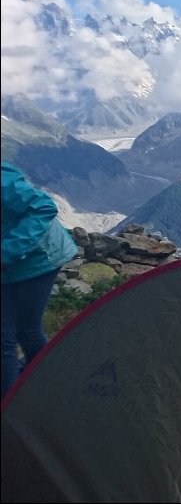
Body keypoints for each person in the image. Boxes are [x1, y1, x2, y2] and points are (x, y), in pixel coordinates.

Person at [1, 161, 78, 397]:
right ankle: (43, 385)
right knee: (24, 329)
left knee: (9, 335)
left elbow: (43, 207)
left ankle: (10, 410)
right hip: (12, 261)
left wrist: (5, 253)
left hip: (40, 258)